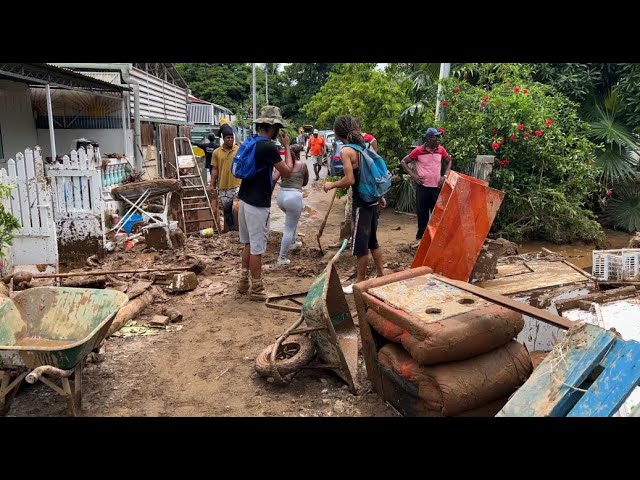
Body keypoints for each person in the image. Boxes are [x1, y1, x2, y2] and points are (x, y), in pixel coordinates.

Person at [323, 116, 386, 293]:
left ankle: (359, 284)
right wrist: (380, 196)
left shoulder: (347, 151)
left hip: (361, 203)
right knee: (372, 240)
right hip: (372, 199)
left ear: (337, 133)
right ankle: (381, 274)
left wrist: (332, 184)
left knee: (360, 245)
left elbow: (350, 179)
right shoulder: (364, 147)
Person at [237, 105, 294, 301]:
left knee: (247, 243)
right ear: (272, 126)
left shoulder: (252, 141)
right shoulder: (268, 146)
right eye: (277, 126)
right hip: (257, 205)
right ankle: (257, 289)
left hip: (244, 200)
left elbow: (272, 173)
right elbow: (287, 171)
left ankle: (243, 283)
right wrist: (287, 147)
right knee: (257, 248)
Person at [401, 127, 452, 246]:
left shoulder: (441, 150)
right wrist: (413, 175)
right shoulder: (418, 151)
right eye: (436, 137)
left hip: (437, 187)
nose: (439, 140)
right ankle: (420, 239)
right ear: (429, 139)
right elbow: (404, 161)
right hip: (423, 187)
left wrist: (445, 175)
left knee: (437, 213)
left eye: (439, 137)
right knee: (422, 213)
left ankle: (435, 239)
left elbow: (449, 161)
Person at [333, 131, 377, 248]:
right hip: (371, 192)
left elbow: (350, 179)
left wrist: (332, 185)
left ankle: (356, 242)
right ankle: (347, 240)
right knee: (352, 217)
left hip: (362, 192)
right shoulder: (367, 144)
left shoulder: (350, 149)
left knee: (353, 216)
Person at [273, 144, 309, 266]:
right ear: (299, 154)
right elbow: (305, 182)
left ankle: (293, 242)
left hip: (281, 196)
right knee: (288, 228)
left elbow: (274, 178)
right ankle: (281, 258)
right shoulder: (303, 165)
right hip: (293, 197)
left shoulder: (282, 165)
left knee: (291, 221)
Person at [210, 129, 240, 232]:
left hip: (238, 183)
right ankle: (231, 231)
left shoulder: (239, 150)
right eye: (228, 138)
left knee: (239, 208)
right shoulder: (217, 152)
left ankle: (241, 230)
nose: (230, 140)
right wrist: (212, 184)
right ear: (223, 139)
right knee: (227, 210)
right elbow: (215, 169)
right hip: (223, 185)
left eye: (232, 137)